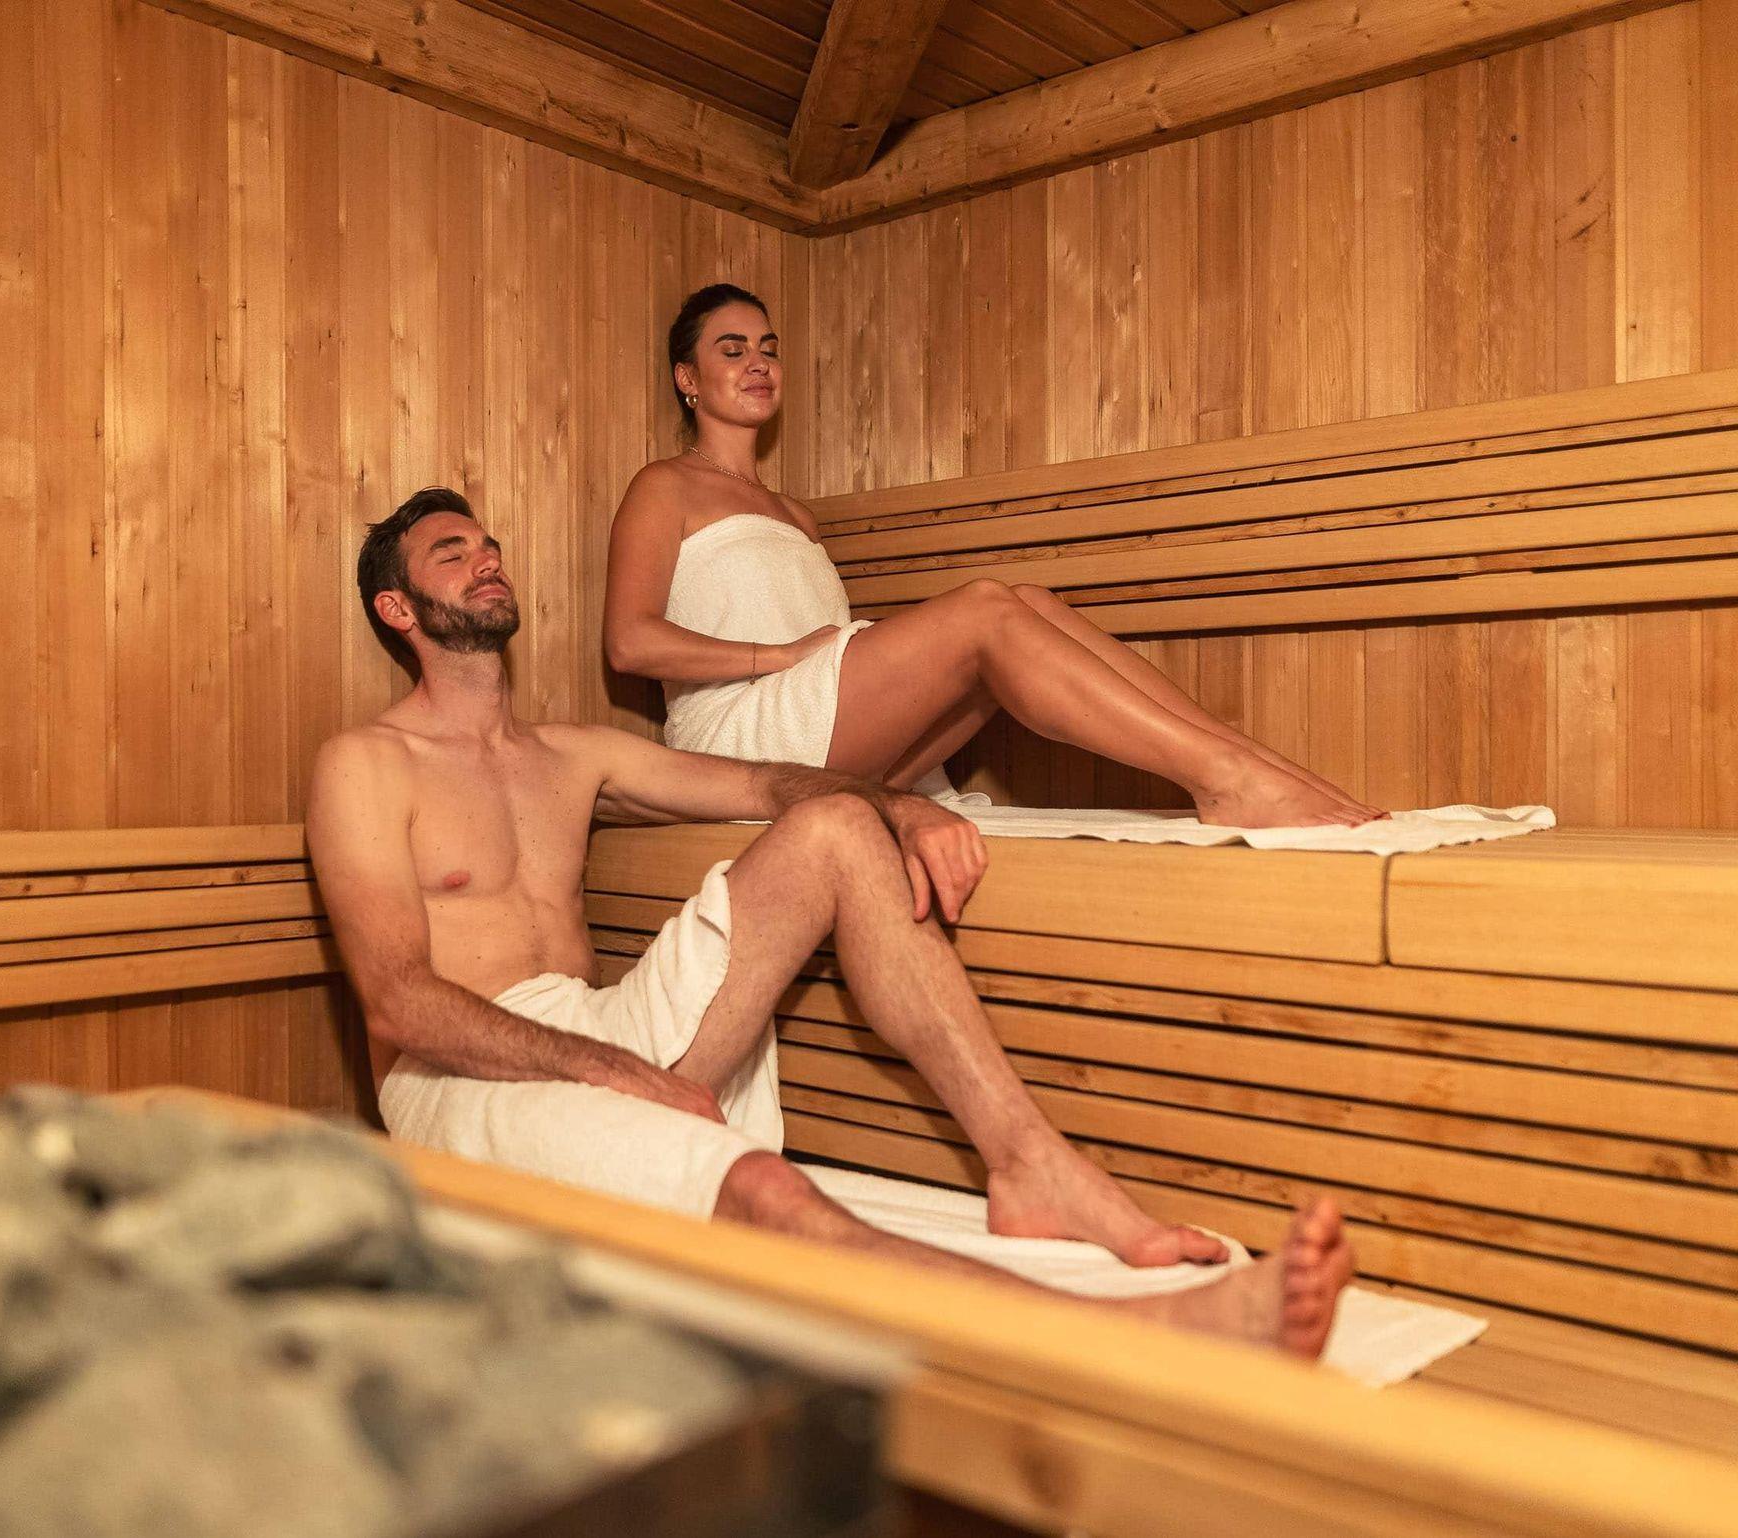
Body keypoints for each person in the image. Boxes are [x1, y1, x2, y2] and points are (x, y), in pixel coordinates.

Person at [306, 485, 1353, 1358]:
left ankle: (1029, 1163)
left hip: (594, 1027)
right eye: (452, 554)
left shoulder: (570, 753)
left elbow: (763, 782)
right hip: (461, 1082)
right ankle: (1140, 1335)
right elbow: (398, 1001)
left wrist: (897, 804)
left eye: (488, 544)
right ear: (399, 608)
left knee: (838, 827)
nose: (486, 559)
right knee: (760, 1186)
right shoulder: (366, 763)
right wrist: (613, 1073)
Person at [603, 282, 1384, 829]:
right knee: (984, 611)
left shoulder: (796, 516)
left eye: (768, 349)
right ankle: (1226, 780)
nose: (759, 363)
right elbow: (630, 642)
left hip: (828, 734)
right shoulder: (665, 486)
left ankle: (1256, 767)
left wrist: (809, 658)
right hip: (734, 746)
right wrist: (779, 656)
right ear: (688, 377)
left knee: (1030, 604)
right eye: (732, 349)